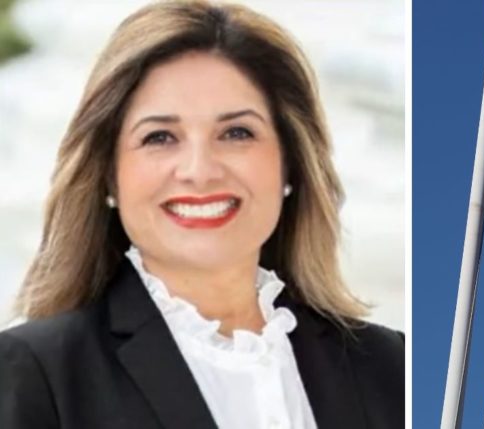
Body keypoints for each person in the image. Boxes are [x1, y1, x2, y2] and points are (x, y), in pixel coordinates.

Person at [0, 1, 404, 428]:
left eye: (236, 133)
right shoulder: (36, 374)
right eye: (159, 137)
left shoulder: (391, 367)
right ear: (109, 176)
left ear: (291, 163)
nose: (199, 171)